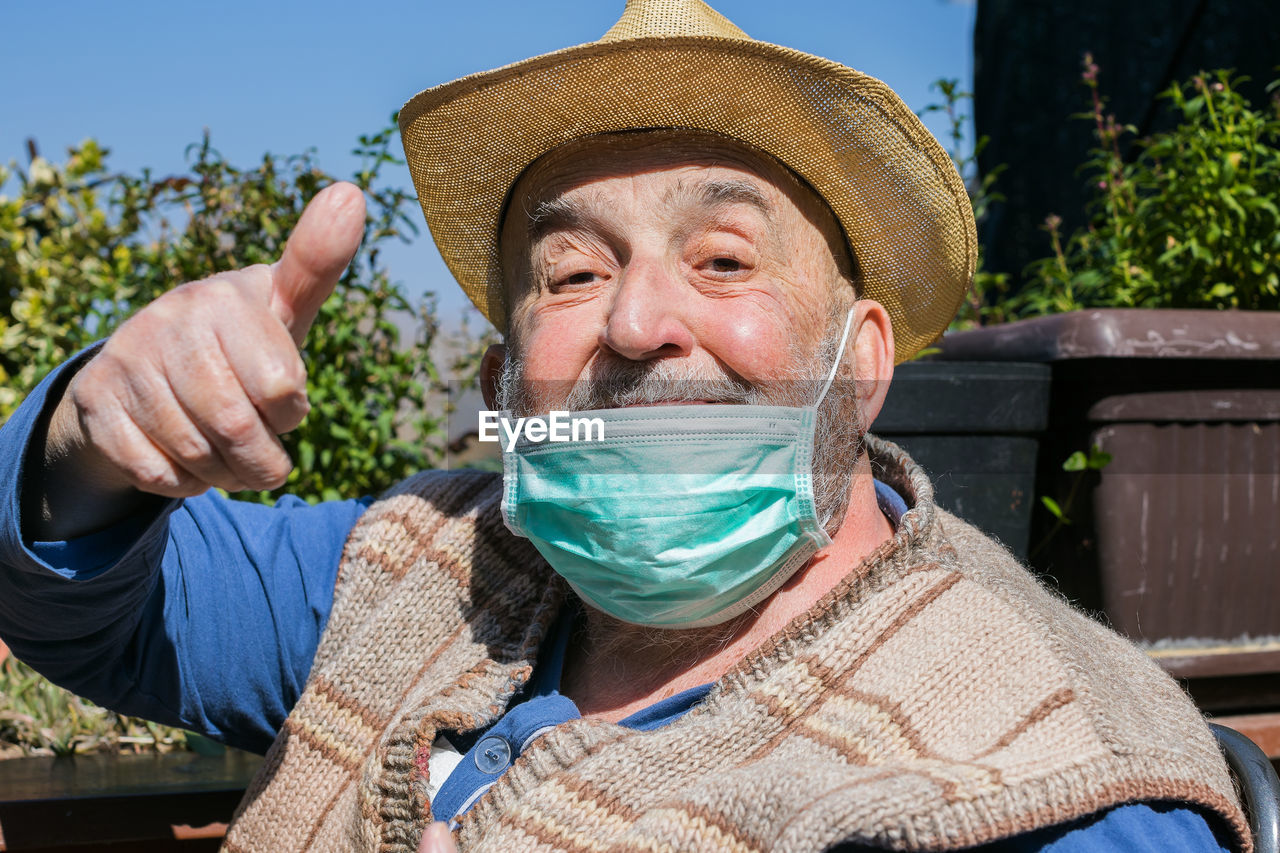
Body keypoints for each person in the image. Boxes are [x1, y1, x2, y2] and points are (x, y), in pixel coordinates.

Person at [0, 2, 1249, 851]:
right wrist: (91, 438)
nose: (641, 321)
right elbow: (84, 597)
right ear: (504, 375)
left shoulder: (1055, 779)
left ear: (858, 363)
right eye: (572, 273)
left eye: (719, 259)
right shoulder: (414, 568)